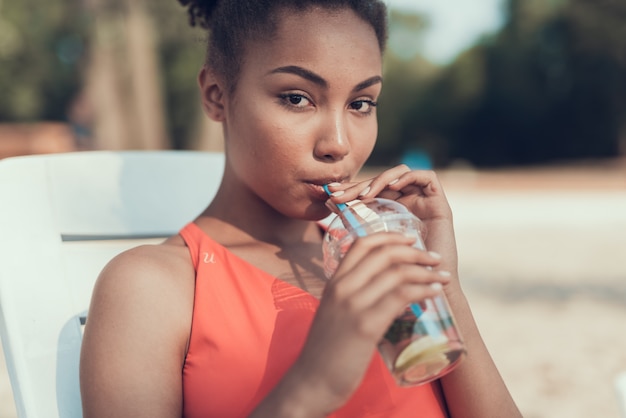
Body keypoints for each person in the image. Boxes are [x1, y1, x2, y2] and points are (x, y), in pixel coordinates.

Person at [79, 0, 522, 417]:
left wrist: (444, 290)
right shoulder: (152, 288)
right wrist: (311, 387)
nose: (339, 144)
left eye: (361, 104)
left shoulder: (377, 260)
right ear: (217, 95)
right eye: (297, 98)